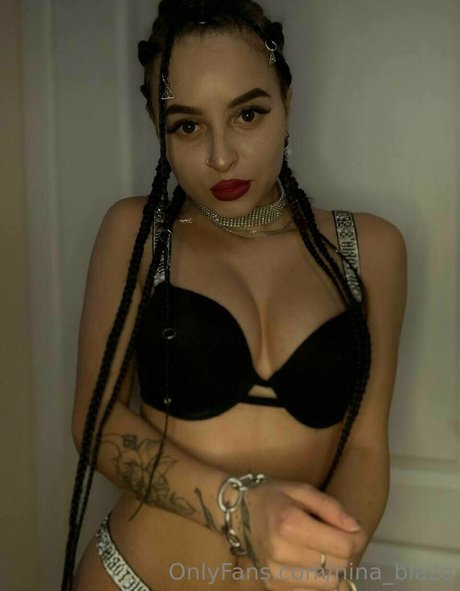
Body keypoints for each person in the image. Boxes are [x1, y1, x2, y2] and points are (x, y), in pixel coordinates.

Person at [62, 1, 407, 590]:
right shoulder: (138, 233)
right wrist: (240, 507)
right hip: (134, 578)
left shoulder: (370, 250)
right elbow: (95, 423)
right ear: (157, 125)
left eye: (248, 114)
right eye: (187, 126)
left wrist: (328, 562)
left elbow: (367, 448)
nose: (220, 156)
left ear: (287, 103)